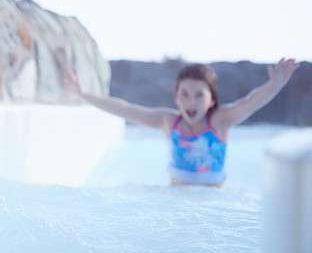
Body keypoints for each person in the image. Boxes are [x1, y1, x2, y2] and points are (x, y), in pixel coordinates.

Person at [64, 58, 300, 186]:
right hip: (177, 202)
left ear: (211, 100)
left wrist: (275, 84)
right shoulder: (169, 122)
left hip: (212, 201)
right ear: (176, 98)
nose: (191, 101)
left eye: (199, 95)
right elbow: (126, 109)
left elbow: (250, 101)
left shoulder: (220, 121)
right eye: (184, 94)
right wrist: (84, 94)